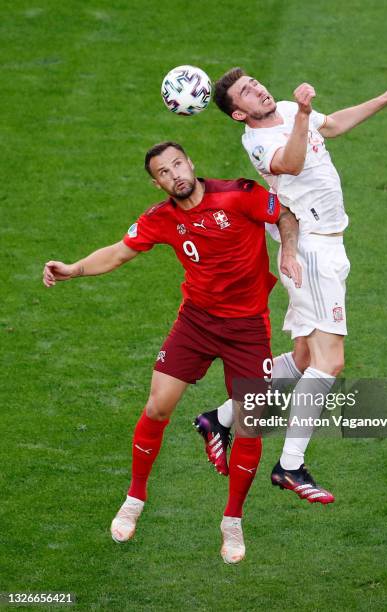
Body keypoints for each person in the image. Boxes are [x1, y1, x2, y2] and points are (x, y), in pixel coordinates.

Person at [42, 141, 301, 564]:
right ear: (157, 181)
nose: (174, 174)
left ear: (191, 163)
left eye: (178, 164)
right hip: (196, 322)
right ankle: (135, 498)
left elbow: (284, 215)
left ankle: (232, 520)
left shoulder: (238, 194)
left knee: (251, 425)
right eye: (164, 172)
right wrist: (74, 269)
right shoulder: (161, 219)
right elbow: (118, 252)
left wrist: (287, 248)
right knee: (158, 406)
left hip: (248, 329)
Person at [195, 68, 387, 503]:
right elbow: (291, 163)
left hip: (328, 246)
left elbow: (332, 125)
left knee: (303, 357)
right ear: (238, 114)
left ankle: (219, 418)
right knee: (329, 362)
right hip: (311, 252)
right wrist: (301, 113)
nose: (259, 88)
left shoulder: (282, 109)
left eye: (256, 82)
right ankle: (290, 465)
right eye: (247, 91)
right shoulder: (258, 142)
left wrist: (386, 97)